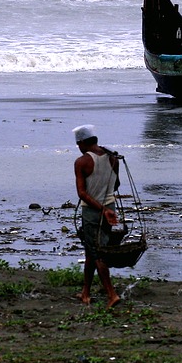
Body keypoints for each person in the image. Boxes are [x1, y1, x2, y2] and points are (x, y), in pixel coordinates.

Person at [72, 124, 122, 308]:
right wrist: (107, 208)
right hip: (110, 208)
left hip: (94, 212)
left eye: (78, 144)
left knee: (98, 254)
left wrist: (101, 208)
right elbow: (116, 184)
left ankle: (112, 295)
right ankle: (85, 292)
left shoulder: (82, 162)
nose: (79, 148)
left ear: (83, 142)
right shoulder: (113, 158)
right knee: (92, 251)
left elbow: (82, 194)